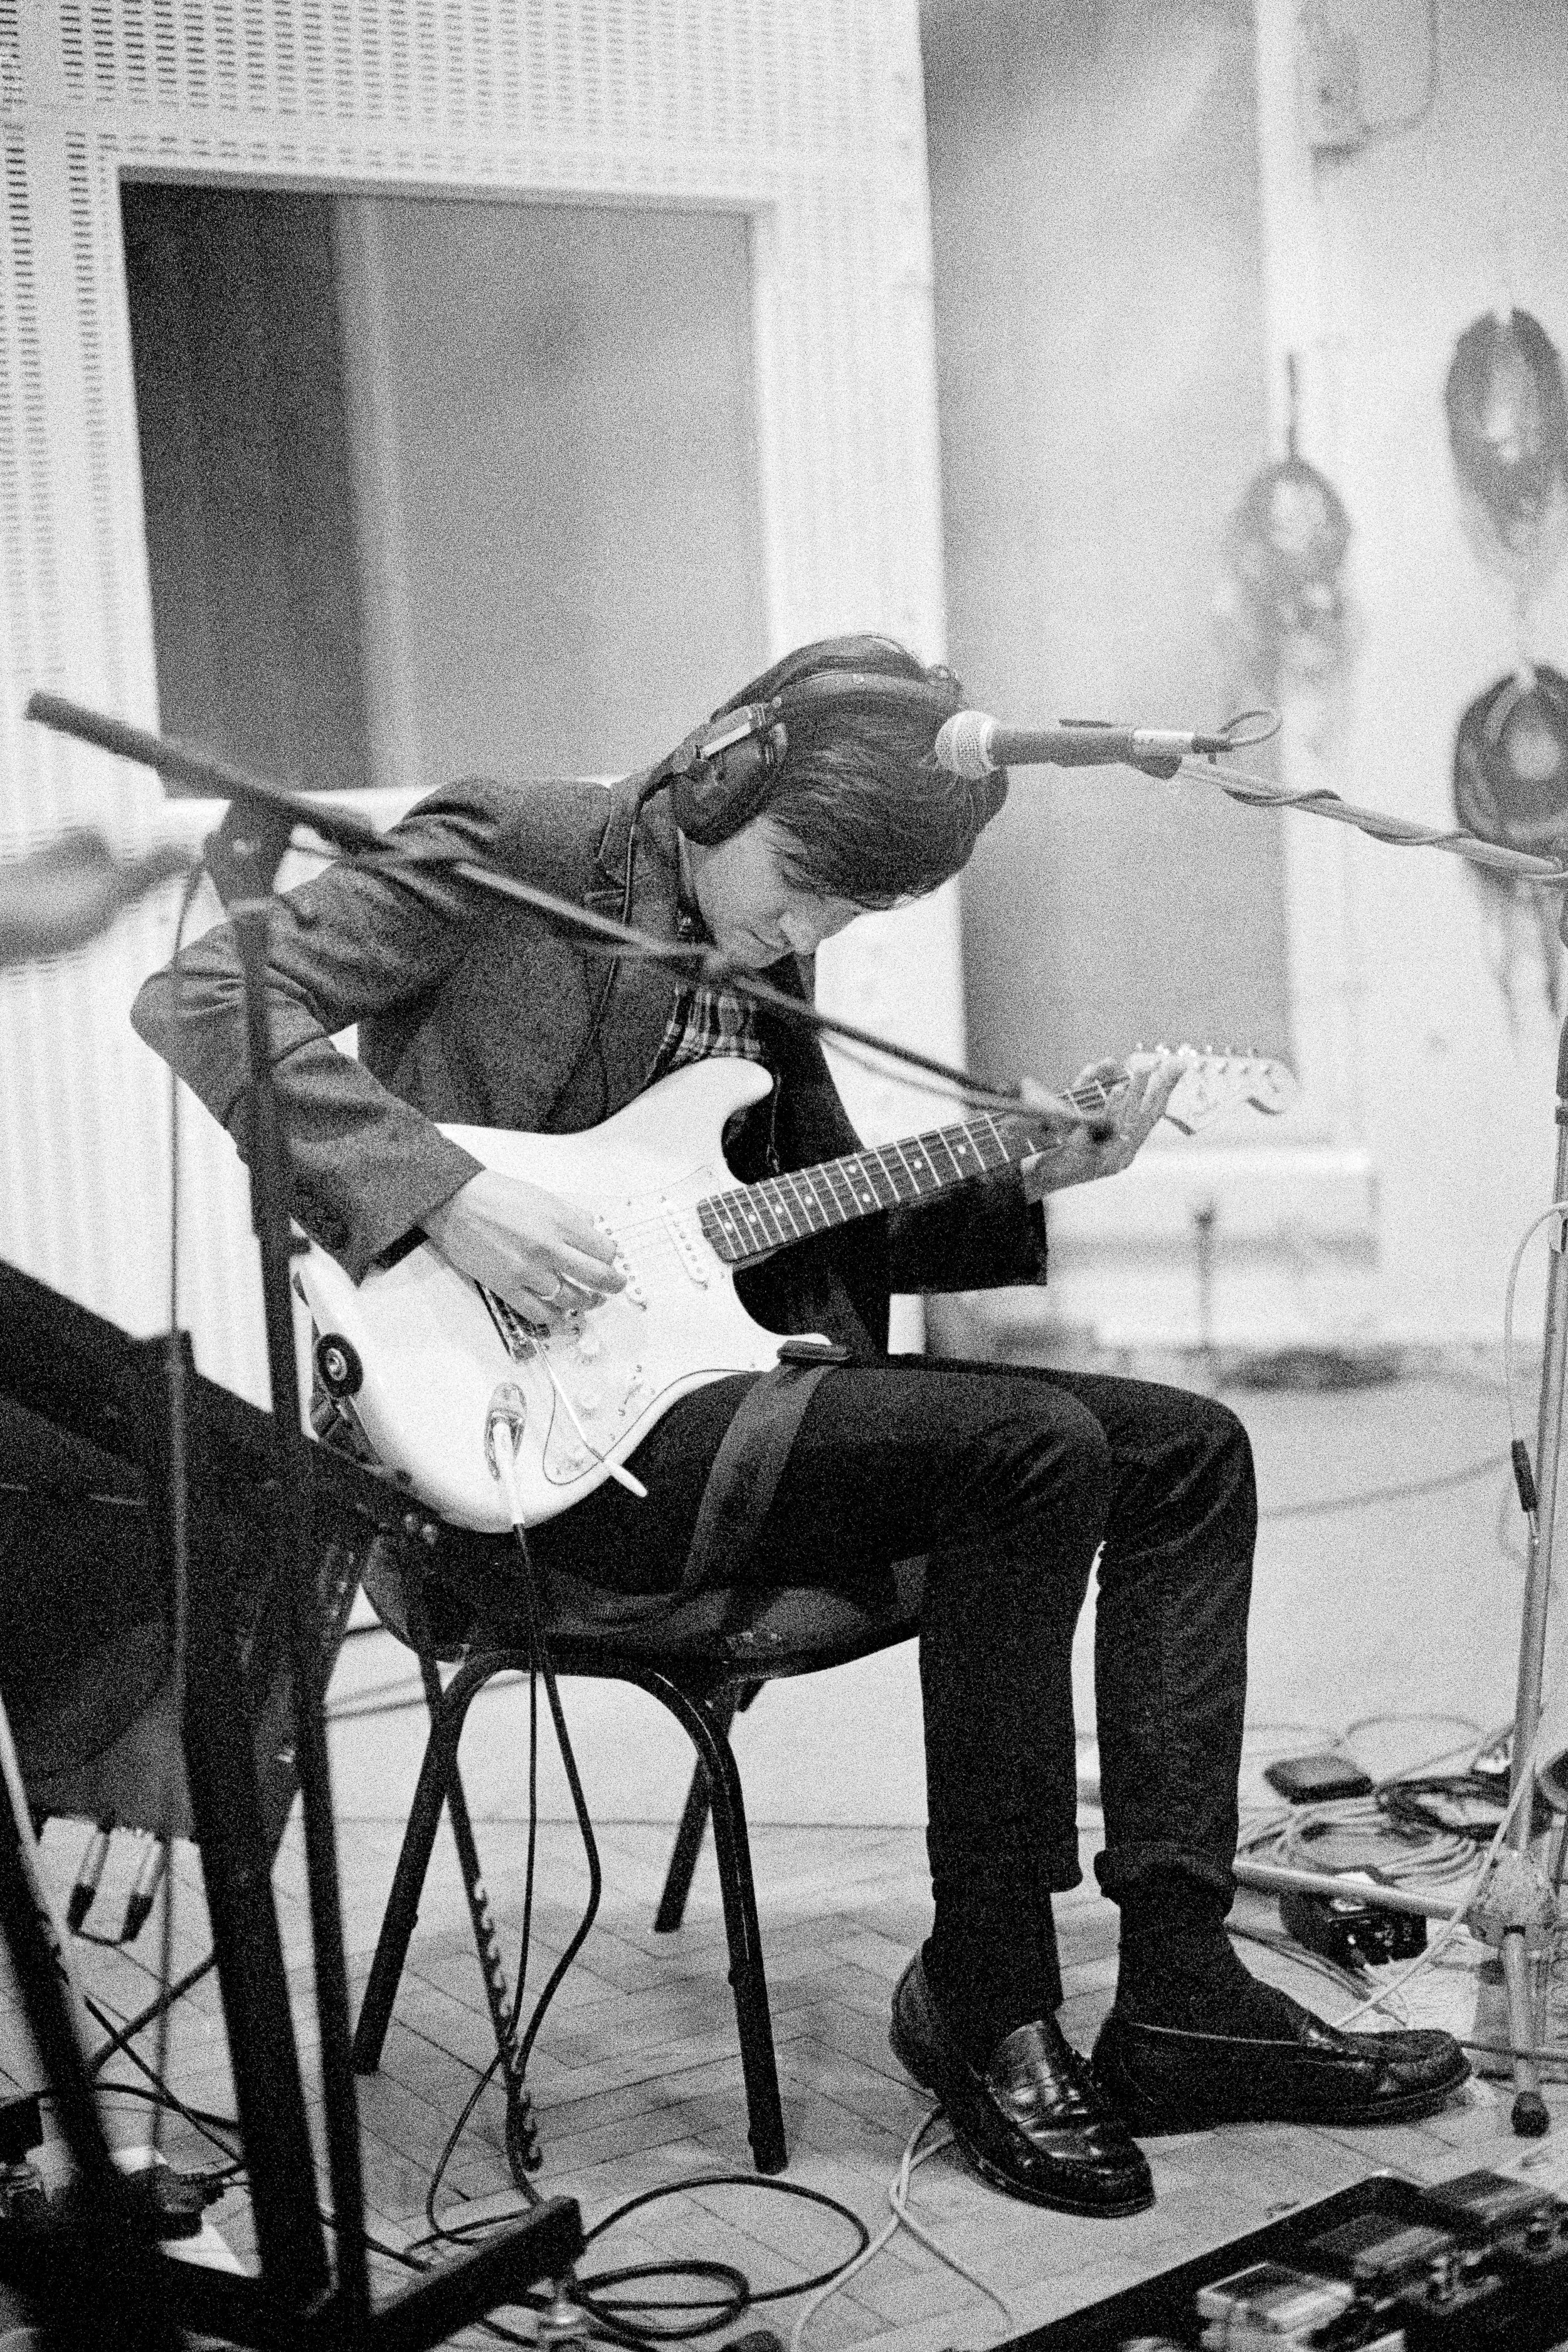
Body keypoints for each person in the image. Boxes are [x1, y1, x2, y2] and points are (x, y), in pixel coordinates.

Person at [131, 634, 1467, 2218]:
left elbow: (798, 1233)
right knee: (1028, 1453)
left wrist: (1021, 1179)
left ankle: (1176, 1984)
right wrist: (448, 1196)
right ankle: (988, 1997)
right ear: (724, 771)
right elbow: (203, 991)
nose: (809, 929)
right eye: (807, 886)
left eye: (850, 914)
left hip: (717, 1396)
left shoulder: (757, 939)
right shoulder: (518, 846)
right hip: (532, 1446)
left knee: (1188, 1449)